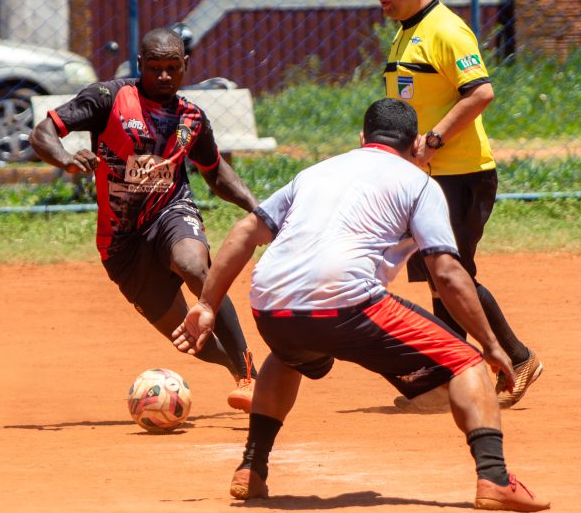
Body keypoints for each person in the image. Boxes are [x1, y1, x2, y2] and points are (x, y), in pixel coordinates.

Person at [172, 99, 550, 511]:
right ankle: (494, 478)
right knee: (466, 363)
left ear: (362, 139)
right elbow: (447, 272)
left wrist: (207, 303)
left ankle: (251, 468)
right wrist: (491, 344)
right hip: (347, 301)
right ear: (417, 144)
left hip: (270, 302)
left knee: (289, 357)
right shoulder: (419, 182)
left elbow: (246, 230)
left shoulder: (315, 173)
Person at [30, 27, 257, 411]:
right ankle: (233, 366)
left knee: (194, 266)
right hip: (121, 243)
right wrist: (66, 158)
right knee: (185, 336)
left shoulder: (191, 118)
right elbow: (43, 132)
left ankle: (248, 376)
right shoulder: (109, 98)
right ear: (140, 66)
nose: (164, 76)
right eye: (155, 68)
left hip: (171, 211)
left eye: (173, 67)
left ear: (186, 66)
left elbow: (215, 172)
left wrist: (256, 206)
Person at [372, 0, 542, 409]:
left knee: (452, 273)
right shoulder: (407, 32)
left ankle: (517, 356)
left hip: (461, 173)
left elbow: (481, 93)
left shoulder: (447, 30)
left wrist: (435, 141)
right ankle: (448, 368)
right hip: (427, 177)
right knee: (437, 273)